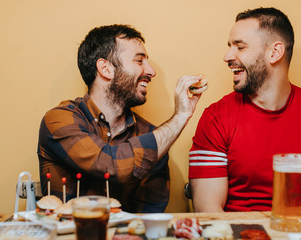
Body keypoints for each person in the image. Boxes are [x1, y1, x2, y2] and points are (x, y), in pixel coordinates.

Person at [188, 7, 301, 212]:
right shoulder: (216, 118)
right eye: (230, 46)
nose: (227, 56)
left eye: (240, 47)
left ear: (274, 52)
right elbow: (208, 213)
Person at [38, 24, 203, 213]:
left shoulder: (153, 135)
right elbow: (109, 164)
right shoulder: (60, 119)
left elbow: (149, 214)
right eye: (139, 61)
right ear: (106, 69)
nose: (151, 71)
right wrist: (180, 116)